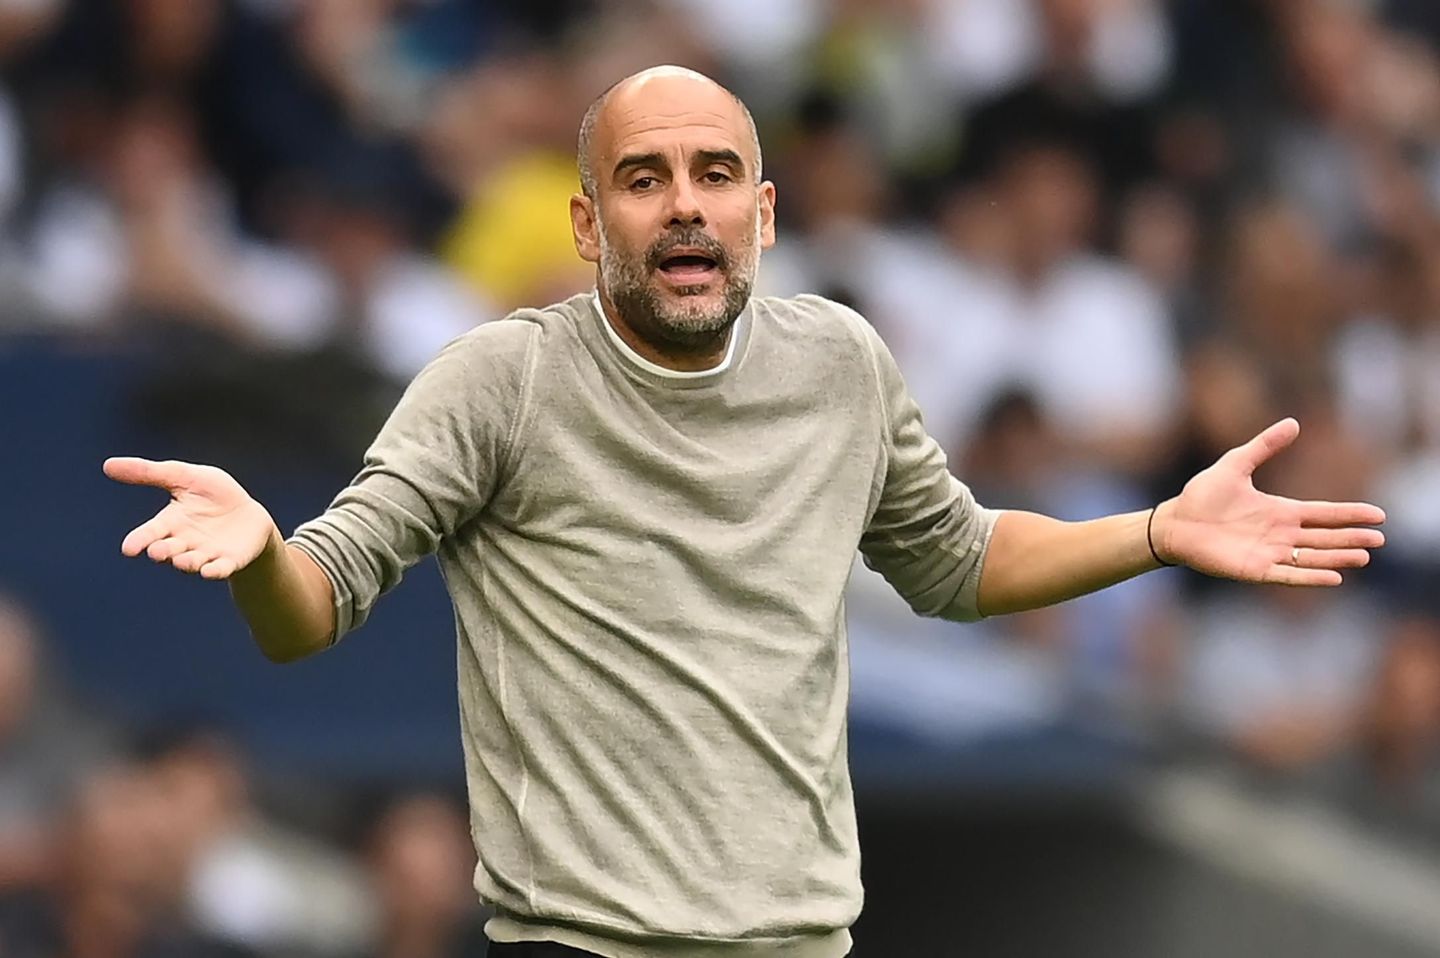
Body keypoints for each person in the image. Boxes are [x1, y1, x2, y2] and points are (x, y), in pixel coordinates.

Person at [103, 66, 1386, 958]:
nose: (685, 203)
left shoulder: (841, 363)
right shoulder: (500, 380)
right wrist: (264, 552)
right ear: (587, 220)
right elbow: (313, 604)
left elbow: (959, 559)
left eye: (715, 174)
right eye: (645, 177)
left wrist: (1157, 530)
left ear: (762, 215)